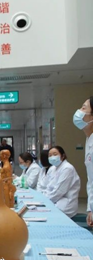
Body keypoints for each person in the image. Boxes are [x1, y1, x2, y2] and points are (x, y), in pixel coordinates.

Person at [41, 146, 81, 218]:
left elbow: (59, 192)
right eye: (50, 155)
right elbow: (47, 187)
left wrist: (44, 200)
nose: (52, 157)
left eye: (55, 154)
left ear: (63, 156)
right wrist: (43, 197)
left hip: (65, 204)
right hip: (52, 200)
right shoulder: (52, 168)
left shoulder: (67, 168)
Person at [73, 96, 93, 226]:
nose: (79, 111)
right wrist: (90, 209)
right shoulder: (89, 139)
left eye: (84, 108)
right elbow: (91, 180)